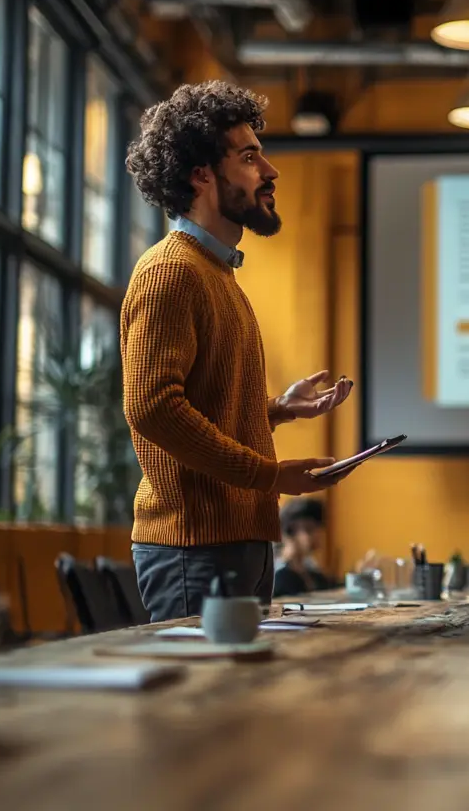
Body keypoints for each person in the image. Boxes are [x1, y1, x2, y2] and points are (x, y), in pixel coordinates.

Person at [120, 81, 355, 622]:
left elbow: (200, 405)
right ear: (201, 173)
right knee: (205, 705)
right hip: (193, 548)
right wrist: (271, 476)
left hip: (232, 542)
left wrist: (273, 410)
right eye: (250, 157)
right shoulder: (169, 273)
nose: (270, 172)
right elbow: (152, 408)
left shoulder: (215, 273)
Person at [274, 497, 335, 597]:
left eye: (318, 528)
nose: (317, 535)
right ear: (289, 534)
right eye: (309, 529)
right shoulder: (279, 576)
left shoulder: (310, 567)